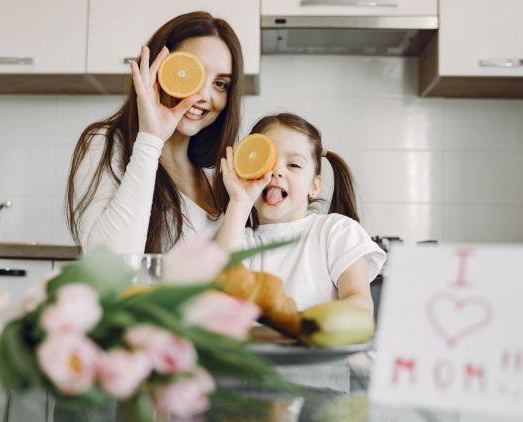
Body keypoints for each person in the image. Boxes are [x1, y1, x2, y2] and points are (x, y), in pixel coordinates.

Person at [66, 11, 244, 254]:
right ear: (155, 70)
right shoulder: (105, 145)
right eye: (190, 73)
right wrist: (151, 139)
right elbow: (110, 264)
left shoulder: (214, 176)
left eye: (220, 84)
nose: (203, 96)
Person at [216, 113, 386, 312]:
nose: (276, 171)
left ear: (314, 186)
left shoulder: (336, 232)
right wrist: (239, 201)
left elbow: (360, 303)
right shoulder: (241, 241)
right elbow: (218, 295)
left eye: (293, 165)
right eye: (266, 162)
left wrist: (302, 326)